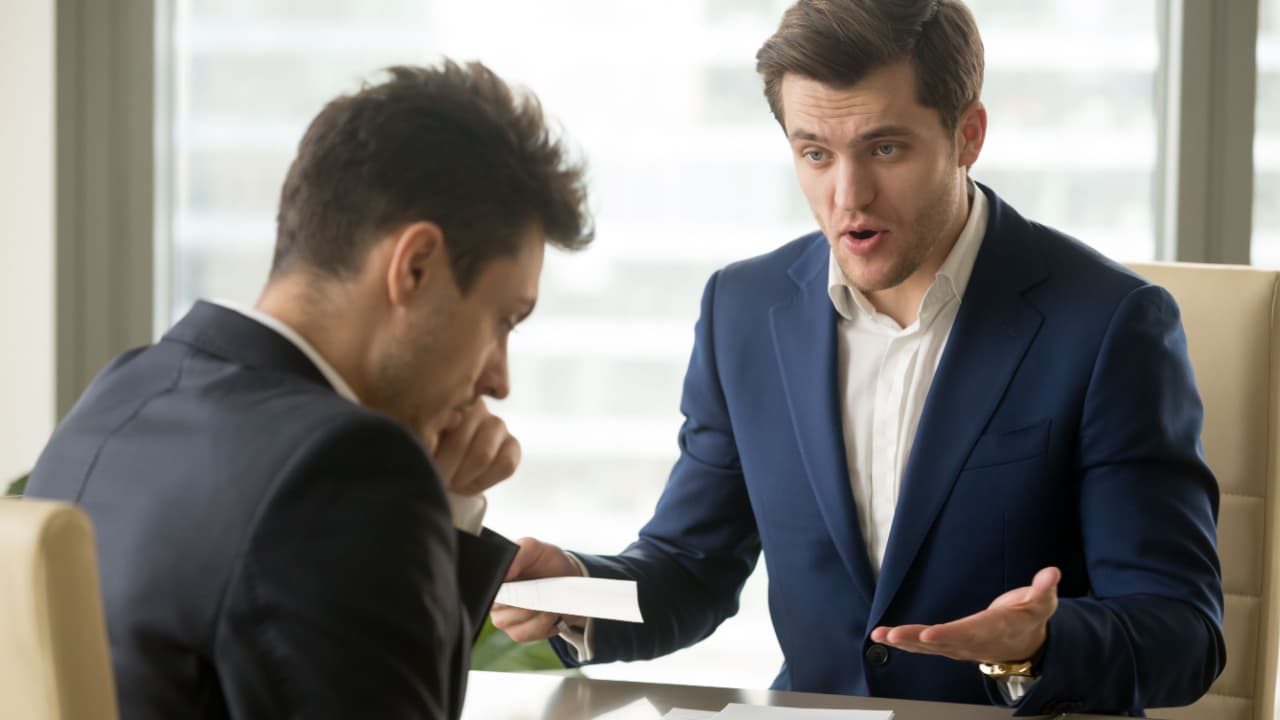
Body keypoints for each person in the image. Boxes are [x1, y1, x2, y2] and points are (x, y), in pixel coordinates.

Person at [492, 1, 1224, 716]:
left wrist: (1037, 644)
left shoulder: (1108, 325)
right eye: (815, 153)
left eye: (885, 149)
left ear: (968, 134)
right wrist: (574, 588)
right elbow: (692, 569)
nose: (848, 196)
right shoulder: (742, 310)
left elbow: (1183, 630)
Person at [27, 61, 592, 720]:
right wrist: (443, 517)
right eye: (504, 320)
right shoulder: (343, 471)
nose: (499, 377)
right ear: (416, 267)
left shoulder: (123, 391)